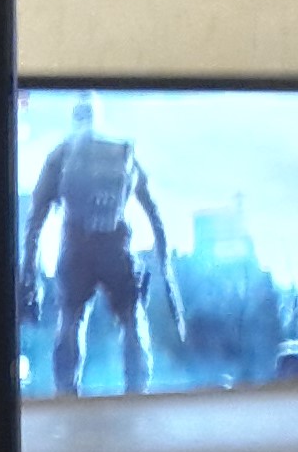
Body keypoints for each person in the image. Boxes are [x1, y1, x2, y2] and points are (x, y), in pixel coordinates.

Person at [18, 95, 180, 395]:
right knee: (131, 318)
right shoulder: (121, 152)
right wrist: (165, 267)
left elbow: (36, 217)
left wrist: (29, 269)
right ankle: (138, 392)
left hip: (75, 248)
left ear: (74, 117)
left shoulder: (61, 153)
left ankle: (66, 394)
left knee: (71, 320)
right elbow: (154, 212)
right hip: (117, 247)